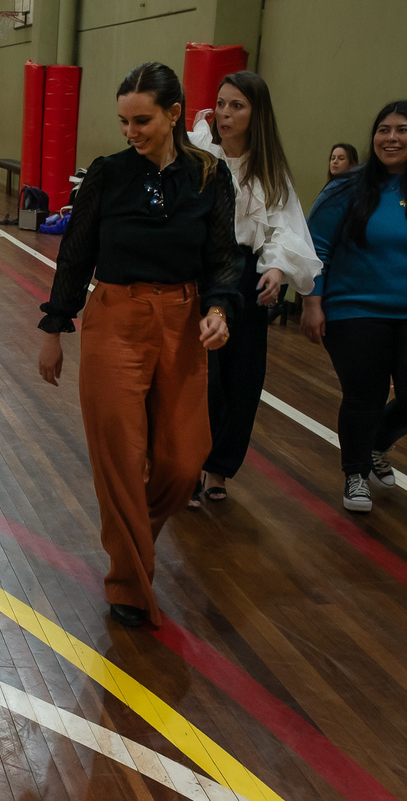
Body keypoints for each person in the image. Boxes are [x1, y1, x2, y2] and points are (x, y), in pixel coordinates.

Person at [36, 62, 241, 629]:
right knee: (120, 458)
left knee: (182, 459)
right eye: (124, 120)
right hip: (115, 319)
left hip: (182, 320)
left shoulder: (209, 177)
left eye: (143, 120)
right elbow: (76, 252)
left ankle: (133, 542)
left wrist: (220, 308)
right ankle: (128, 581)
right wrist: (55, 329)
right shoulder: (108, 174)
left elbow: (224, 255)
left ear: (175, 114)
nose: (131, 131)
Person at [186, 71, 322, 505]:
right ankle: (185, 464)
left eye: (237, 106)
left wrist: (277, 269)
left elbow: (286, 229)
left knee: (242, 377)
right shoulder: (199, 152)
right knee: (198, 376)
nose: (225, 113)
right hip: (200, 269)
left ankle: (219, 468)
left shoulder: (270, 170)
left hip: (246, 274)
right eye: (221, 103)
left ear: (255, 113)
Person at [304, 100, 407, 513]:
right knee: (364, 393)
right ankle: (355, 473)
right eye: (384, 129)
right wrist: (312, 303)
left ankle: (377, 445)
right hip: (354, 311)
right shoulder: (348, 186)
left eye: (402, 129)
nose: (392, 138)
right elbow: (317, 247)